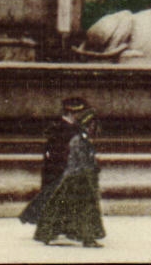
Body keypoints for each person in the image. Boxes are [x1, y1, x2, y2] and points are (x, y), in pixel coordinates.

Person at [22, 104, 106, 248]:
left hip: (74, 177)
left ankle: (52, 233)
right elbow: (80, 160)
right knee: (83, 208)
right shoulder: (78, 138)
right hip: (78, 178)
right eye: (92, 125)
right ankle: (85, 237)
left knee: (63, 206)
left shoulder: (80, 137)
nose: (95, 128)